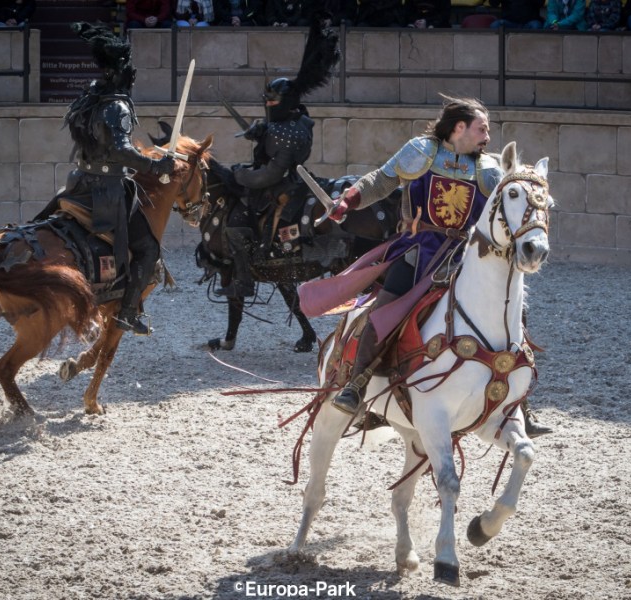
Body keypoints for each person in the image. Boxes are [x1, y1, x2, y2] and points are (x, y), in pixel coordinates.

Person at [299, 95, 551, 437]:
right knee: (385, 313)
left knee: (512, 315)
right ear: (459, 127)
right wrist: (348, 201)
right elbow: (380, 180)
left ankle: (516, 404)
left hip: (464, 255)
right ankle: (356, 388)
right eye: (482, 129)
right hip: (418, 249)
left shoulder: (489, 169)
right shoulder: (422, 151)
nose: (487, 137)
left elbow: (505, 209)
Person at [35, 22, 175, 335]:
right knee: (149, 250)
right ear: (123, 74)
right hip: (108, 191)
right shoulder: (117, 106)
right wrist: (156, 166)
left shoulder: (88, 99)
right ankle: (126, 312)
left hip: (78, 183)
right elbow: (122, 151)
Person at [214, 21, 339, 298]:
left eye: (272, 102)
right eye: (267, 102)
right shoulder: (295, 123)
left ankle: (245, 280)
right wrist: (262, 132)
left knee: (236, 225)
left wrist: (237, 174)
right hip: (290, 178)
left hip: (281, 183)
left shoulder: (284, 132)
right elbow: (274, 137)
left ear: (285, 101)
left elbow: (269, 174)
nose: (268, 106)